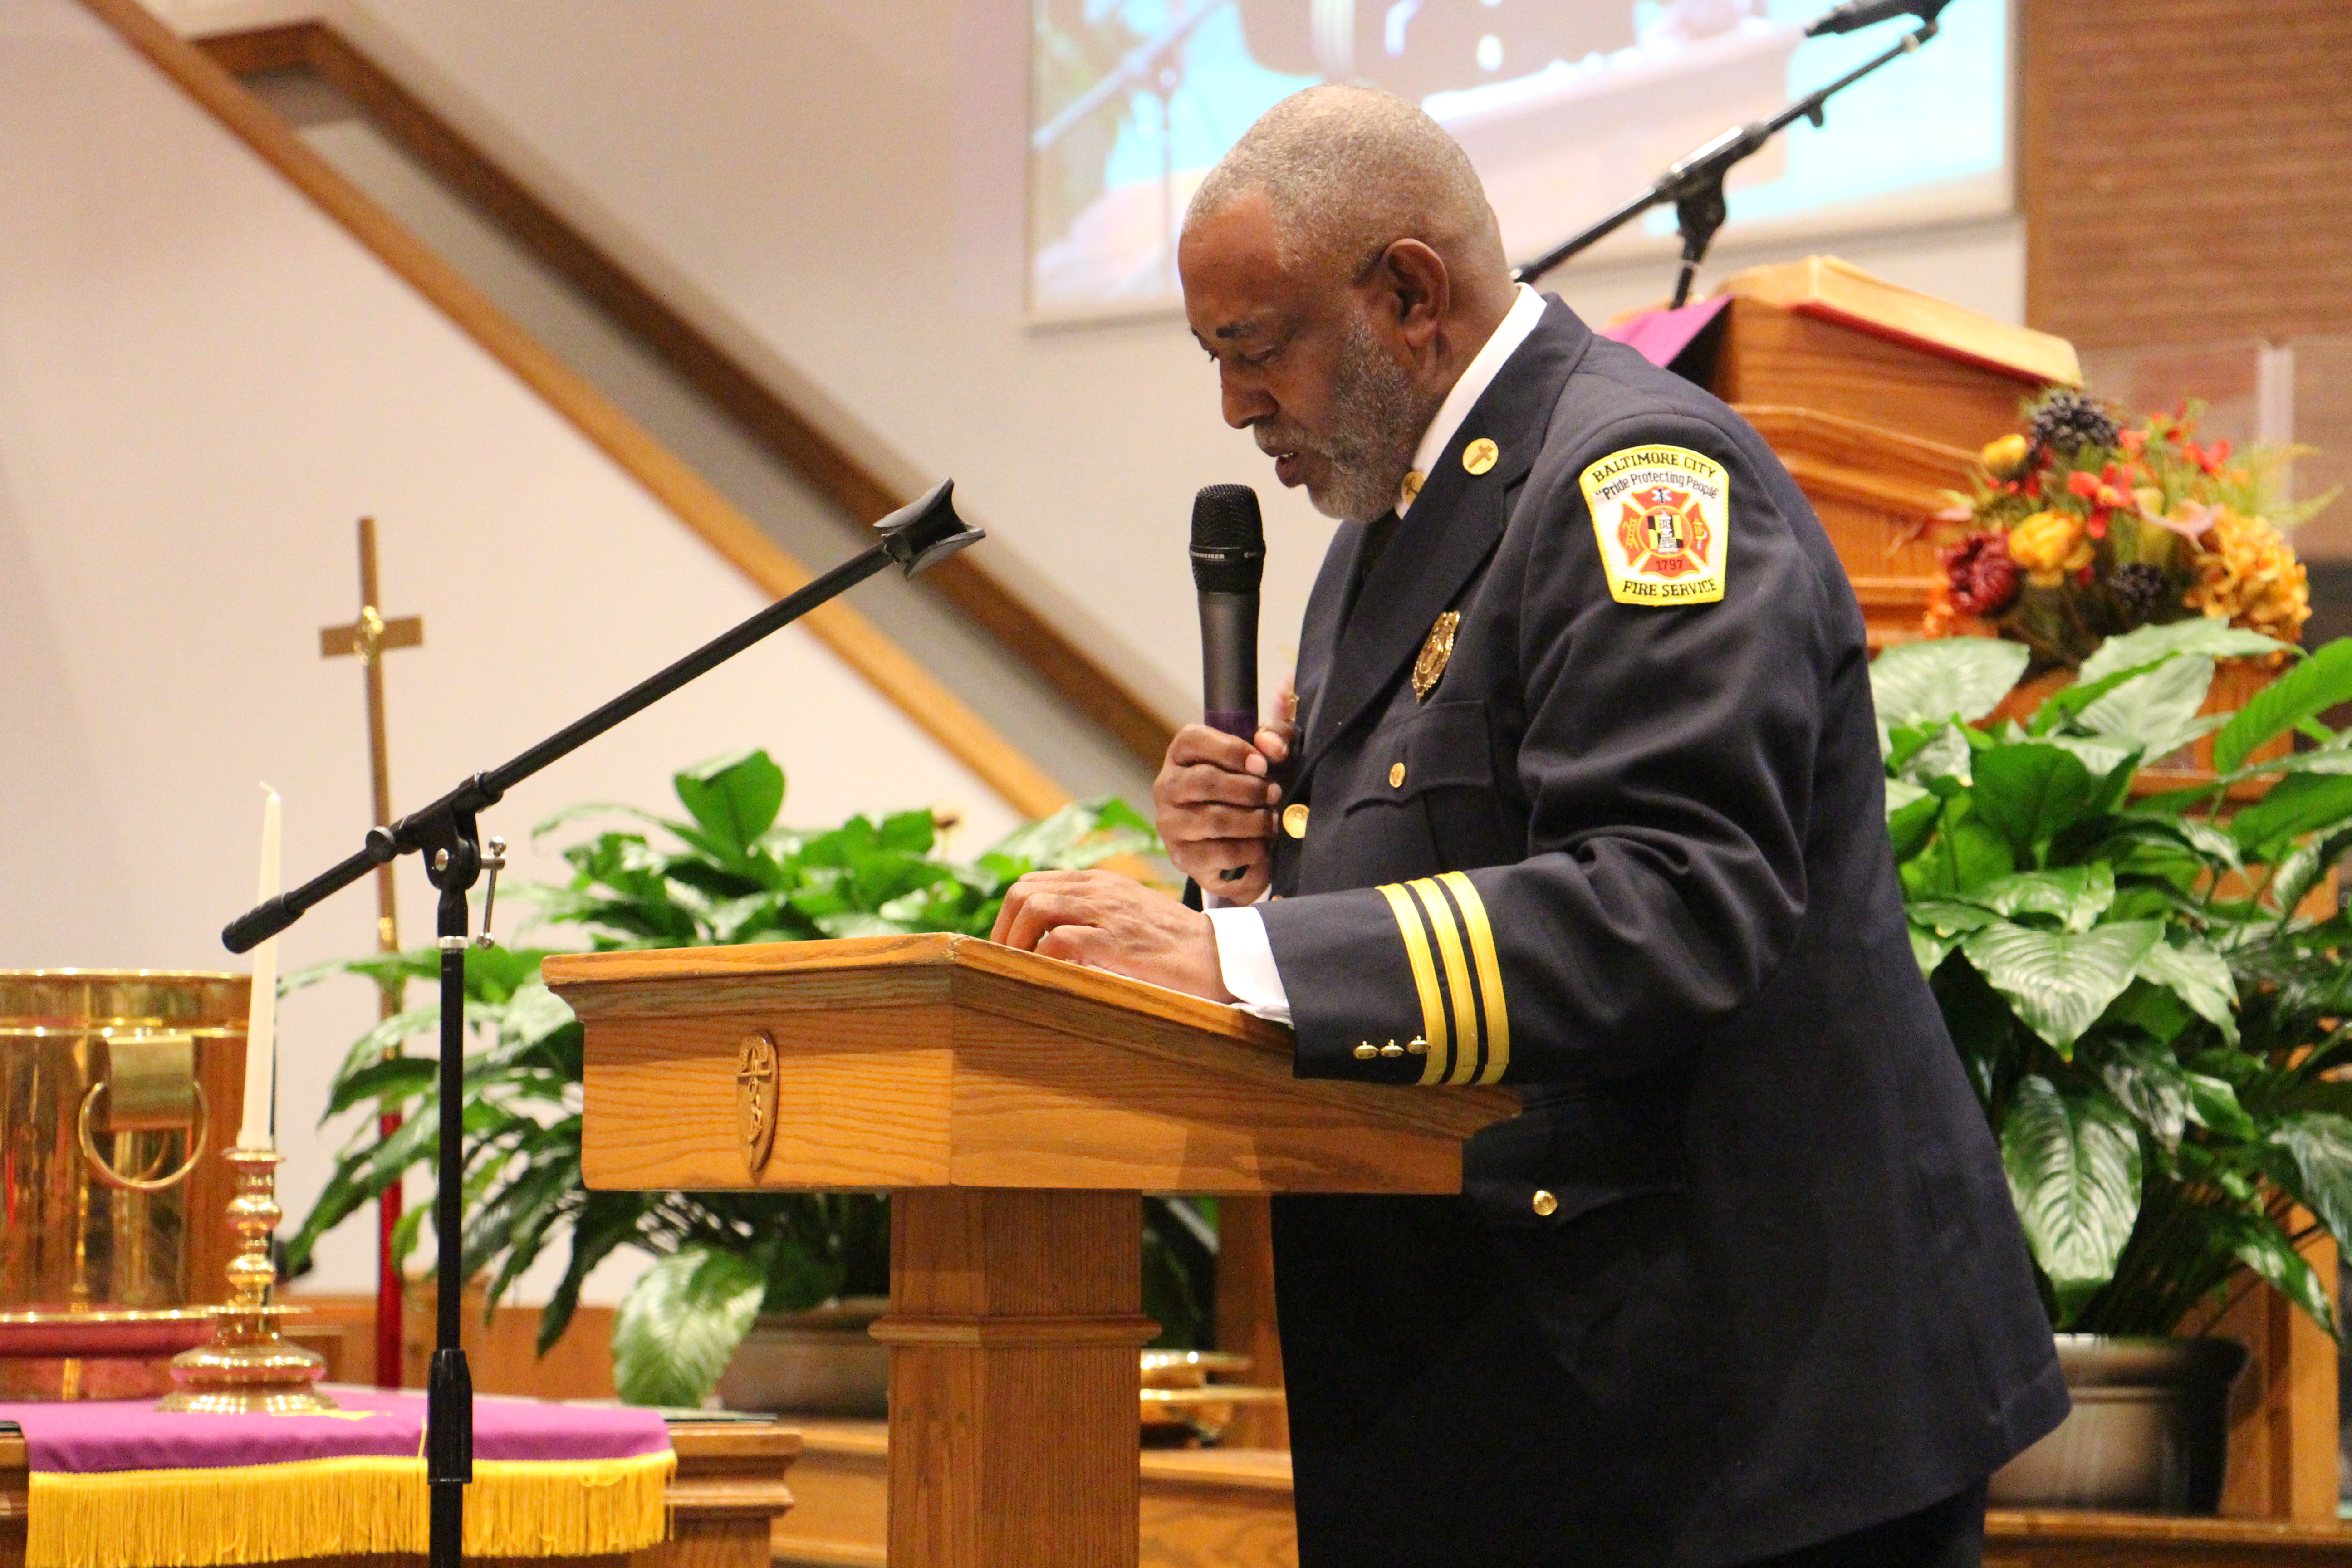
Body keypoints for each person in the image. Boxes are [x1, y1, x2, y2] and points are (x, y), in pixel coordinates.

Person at [990, 85, 2064, 1568]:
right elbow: (1453, 869)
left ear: (1409, 295)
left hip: (1743, 1421)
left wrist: (1237, 962)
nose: (1236, 408)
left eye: (1253, 348)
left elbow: (1676, 899)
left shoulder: (1638, 485)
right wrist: (1246, 877)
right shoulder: (1391, 526)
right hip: (1538, 1409)